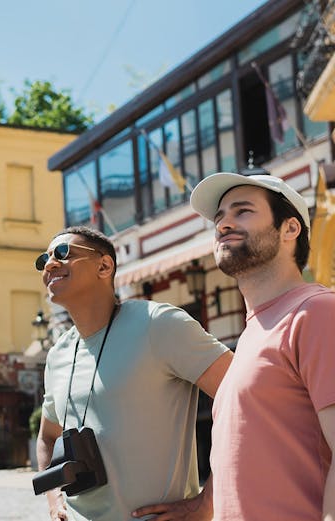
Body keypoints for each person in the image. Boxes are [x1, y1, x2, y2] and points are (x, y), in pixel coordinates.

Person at [34, 225, 232, 521]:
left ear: (104, 266)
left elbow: (244, 397)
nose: (50, 264)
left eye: (64, 253)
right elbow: (47, 437)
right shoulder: (58, 354)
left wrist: (209, 500)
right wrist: (53, 498)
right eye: (44, 260)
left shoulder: (158, 324)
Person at [189, 171, 335, 520]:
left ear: (290, 229)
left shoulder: (317, 311)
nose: (224, 224)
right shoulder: (253, 333)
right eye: (220, 216)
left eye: (243, 211)